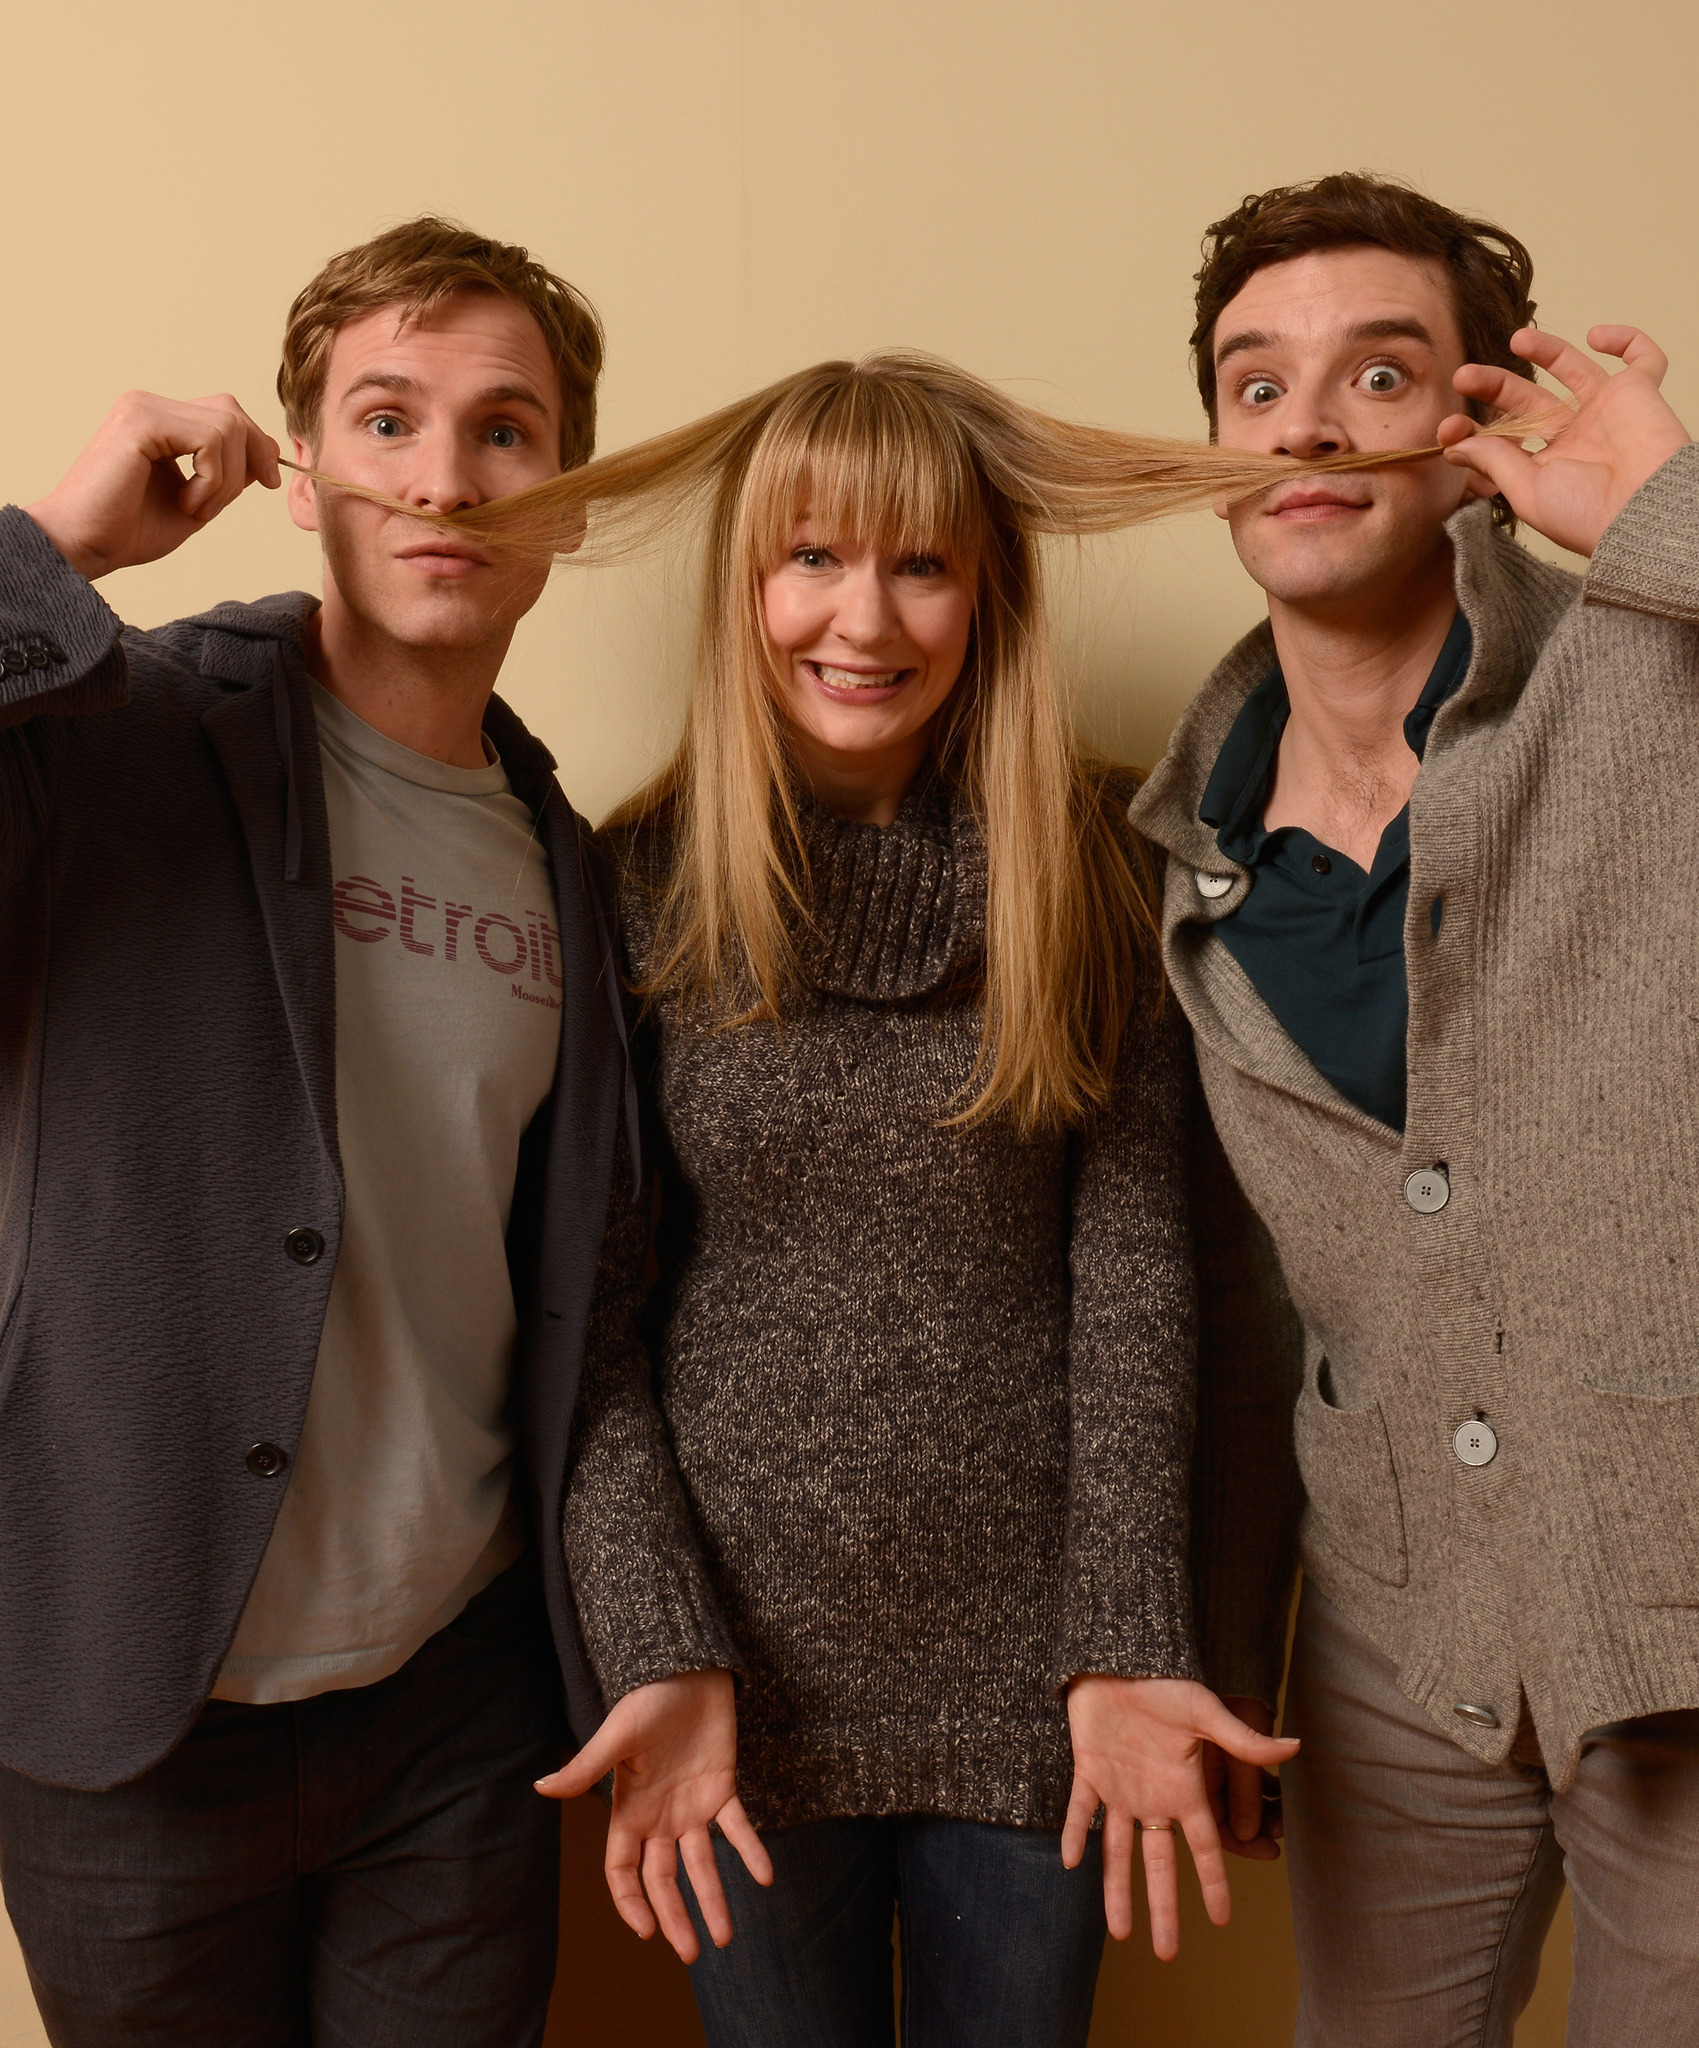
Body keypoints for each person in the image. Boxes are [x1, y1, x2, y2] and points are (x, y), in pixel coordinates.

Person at [527, 352, 1299, 2048]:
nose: (860, 617)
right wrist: (658, 1636)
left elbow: (1144, 1282)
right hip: (728, 1692)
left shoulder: (1103, 871)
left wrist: (1128, 1641)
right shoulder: (621, 885)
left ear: (987, 594)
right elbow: (585, 1330)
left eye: (920, 563)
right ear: (746, 590)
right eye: (811, 556)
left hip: (1053, 1684)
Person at [0, 217, 632, 2047]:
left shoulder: (571, 863)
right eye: (387, 420)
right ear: (300, 474)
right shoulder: (110, 733)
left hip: (457, 1706)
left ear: (566, 499)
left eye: (506, 431)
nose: (446, 478)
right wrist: (56, 547)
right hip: (126, 1702)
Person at [1127, 171, 1699, 2046]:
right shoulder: (1178, 847)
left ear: (1474, 435)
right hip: (1393, 1635)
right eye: (1255, 382)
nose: (1306, 422)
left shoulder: (1650, 665)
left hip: (1676, 1595)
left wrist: (1669, 517)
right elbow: (1228, 1313)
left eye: (1380, 377)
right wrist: (1210, 1655)